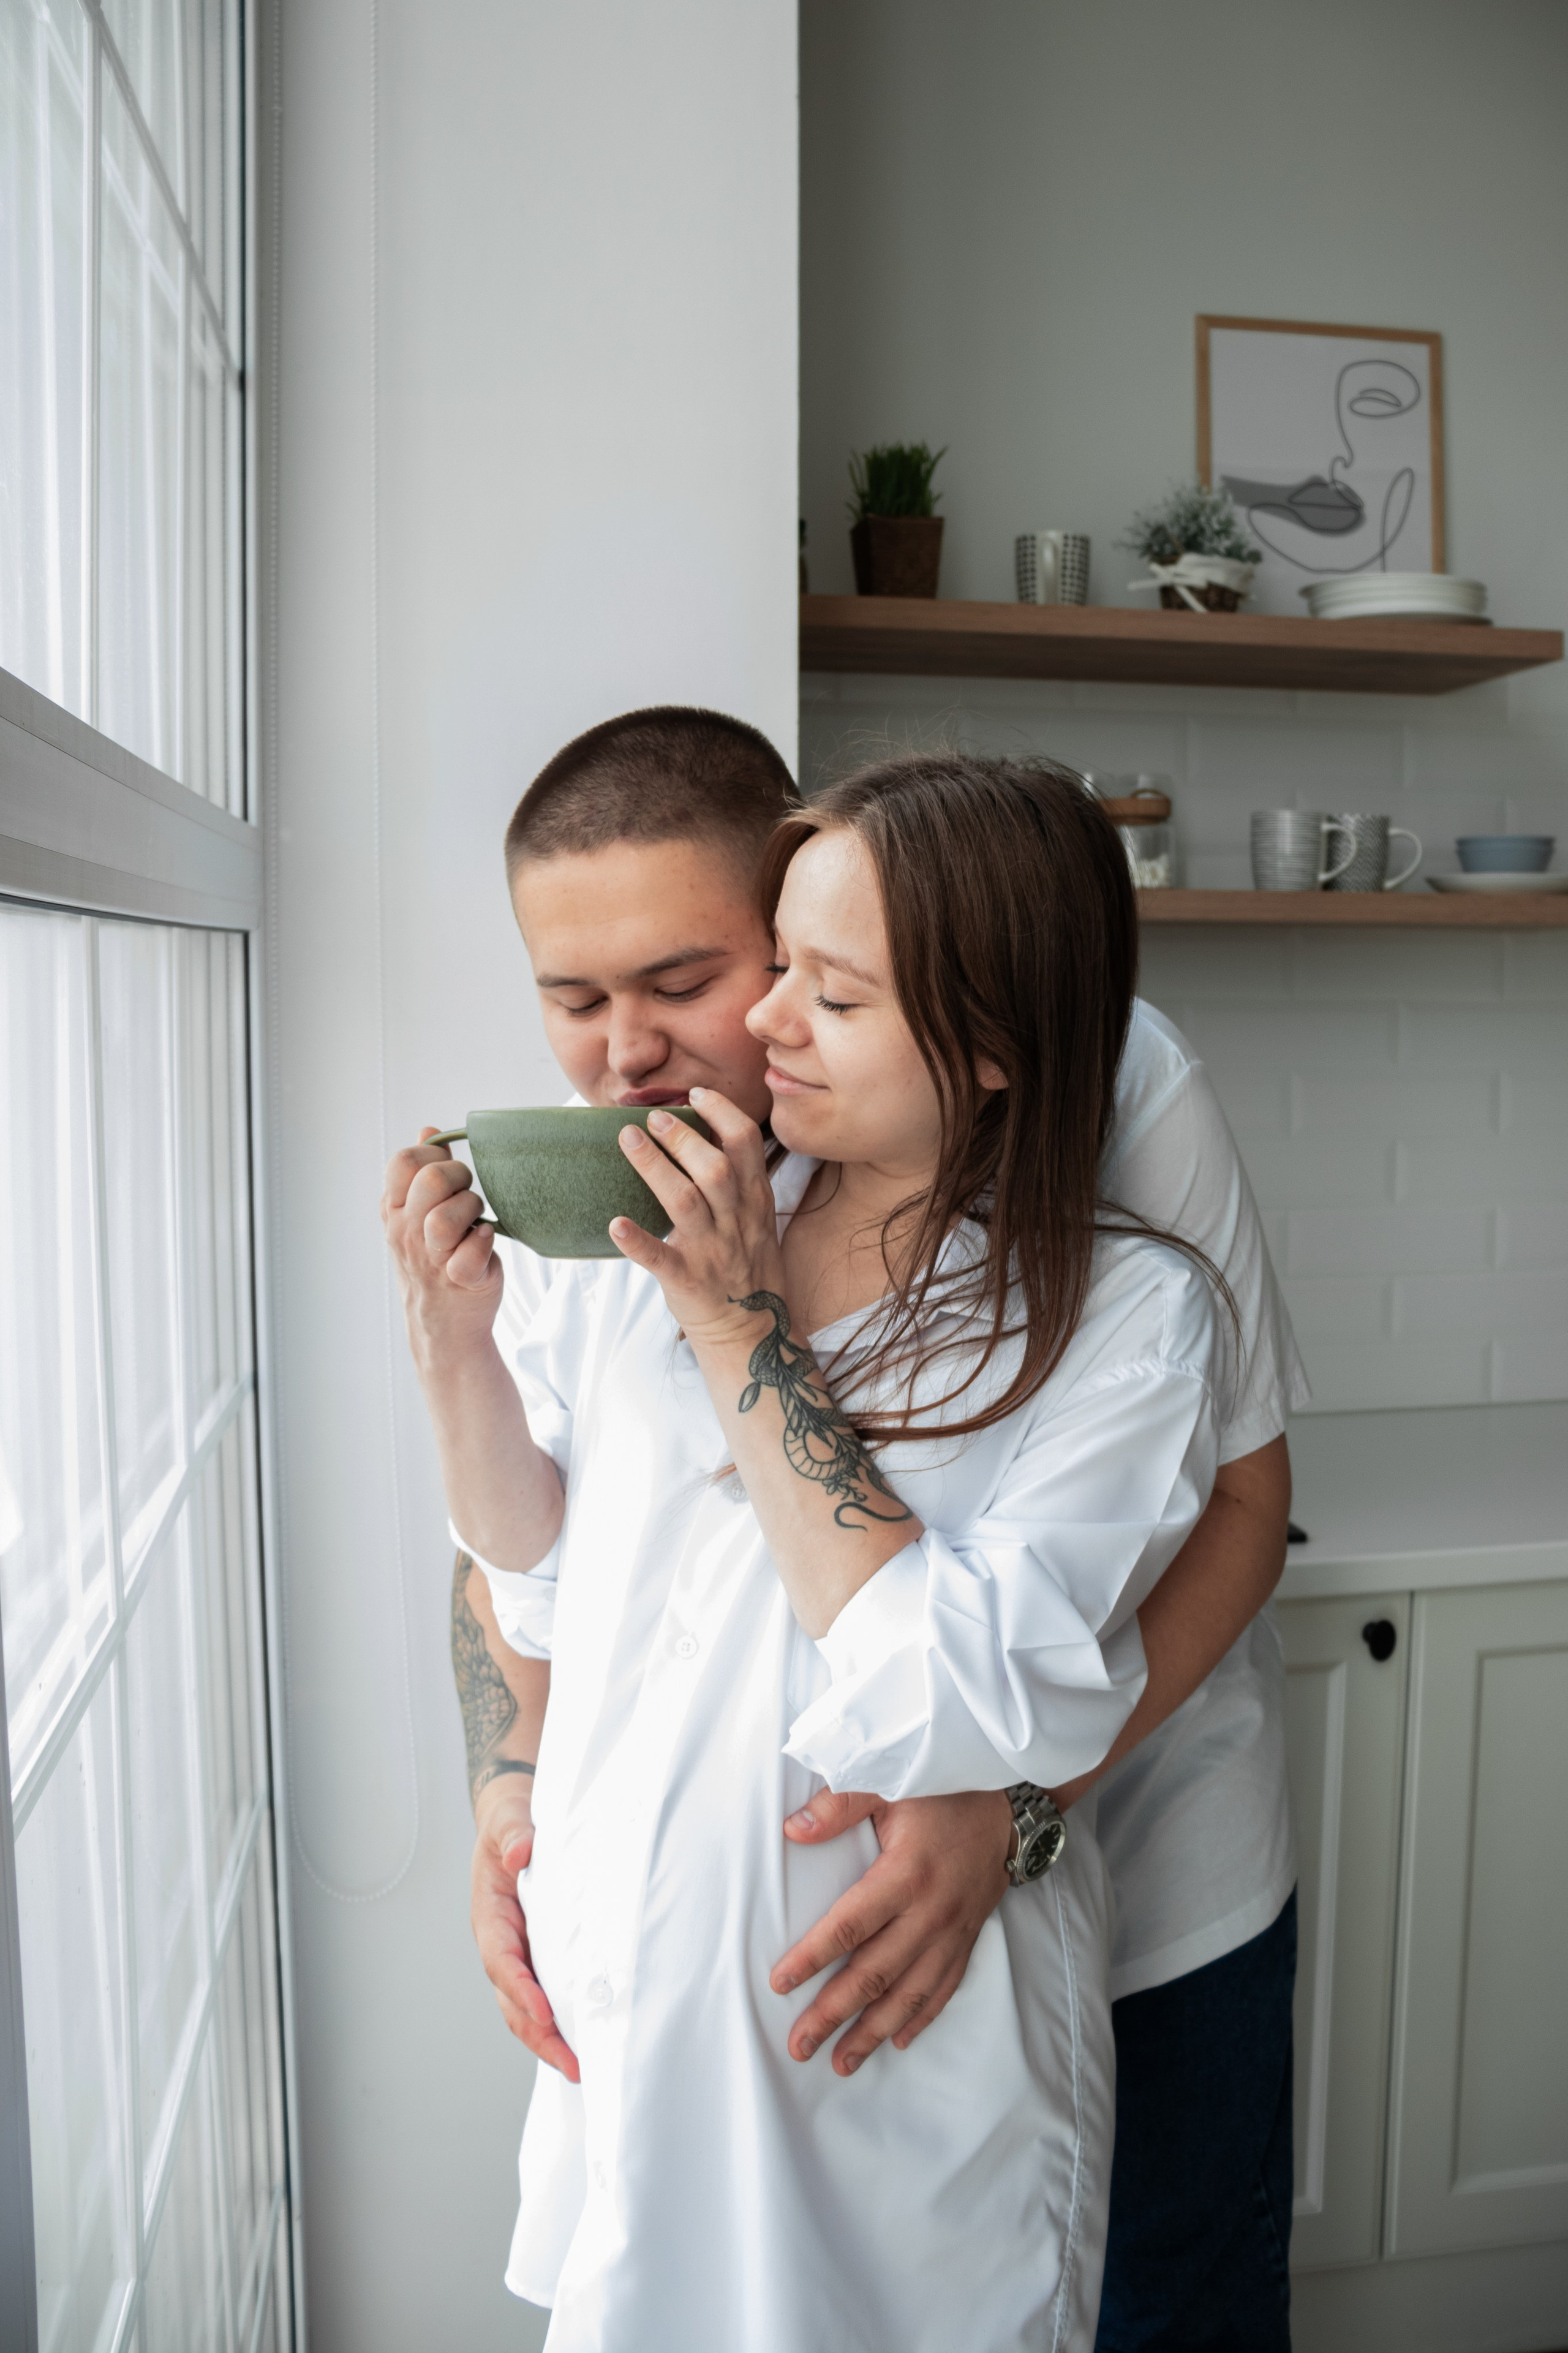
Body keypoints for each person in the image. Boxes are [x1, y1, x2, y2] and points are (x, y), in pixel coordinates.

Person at [383, 711, 1306, 2351]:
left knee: (1154, 2285)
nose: (641, 1051)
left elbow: (1231, 1505)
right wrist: (515, 1781)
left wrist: (1007, 1801)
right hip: (672, 2028)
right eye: (575, 999)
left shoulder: (1113, 1188)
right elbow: (554, 1576)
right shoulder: (686, 1193)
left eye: (689, 984)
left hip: (1054, 1910)